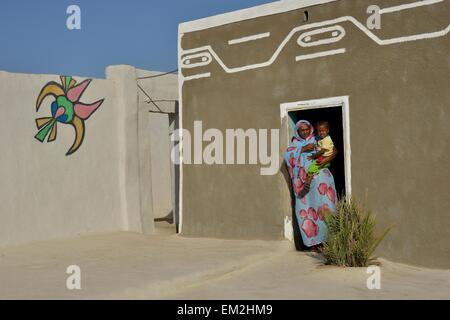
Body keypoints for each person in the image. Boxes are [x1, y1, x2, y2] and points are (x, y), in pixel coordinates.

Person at [284, 120, 338, 249]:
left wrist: (326, 159)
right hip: (304, 186)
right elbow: (288, 157)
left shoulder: (317, 138)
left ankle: (330, 241)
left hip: (322, 184)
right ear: (297, 131)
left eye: (307, 129)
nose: (305, 132)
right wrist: (302, 149)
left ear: (311, 129)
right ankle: (314, 243)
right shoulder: (294, 145)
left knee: (326, 208)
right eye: (302, 130)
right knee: (307, 211)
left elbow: (334, 150)